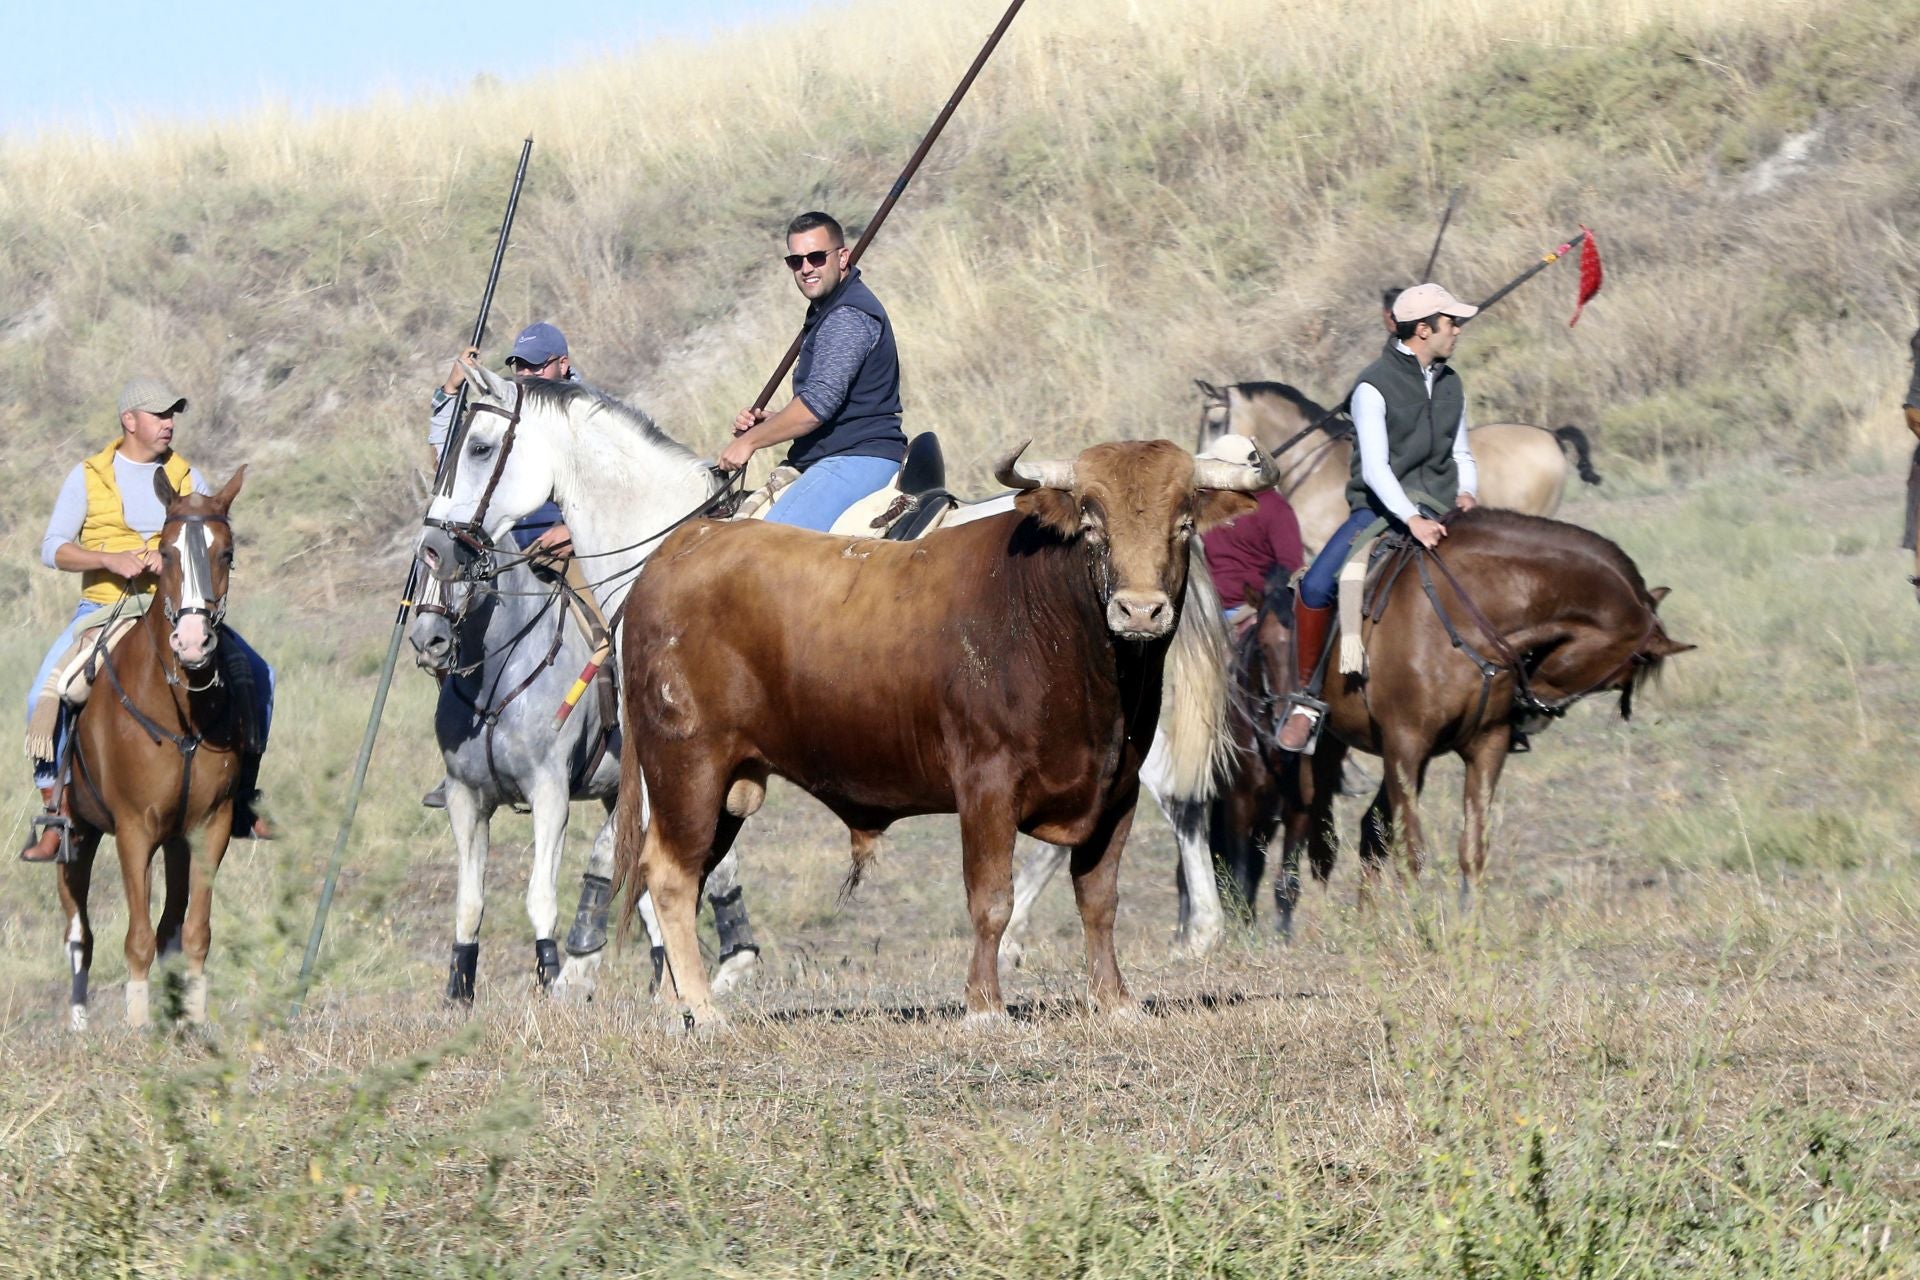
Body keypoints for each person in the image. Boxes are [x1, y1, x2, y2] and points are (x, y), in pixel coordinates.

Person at [20, 376, 275, 860]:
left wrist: (173, 559)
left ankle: (243, 797)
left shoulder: (186, 476)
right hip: (104, 609)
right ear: (129, 420)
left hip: (176, 611)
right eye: (159, 415)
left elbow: (205, 539)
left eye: (172, 415)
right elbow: (53, 548)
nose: (169, 424)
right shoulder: (89, 475)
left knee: (261, 674)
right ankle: (57, 812)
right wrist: (110, 559)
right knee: (44, 694)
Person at [1276, 282, 1482, 753]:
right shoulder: (1373, 386)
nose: (1458, 331)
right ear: (1424, 330)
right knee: (1314, 586)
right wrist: (1411, 519)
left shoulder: (1453, 383)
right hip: (1380, 513)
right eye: (1452, 323)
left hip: (1446, 510)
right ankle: (1307, 699)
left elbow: (1461, 451)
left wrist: (1468, 492)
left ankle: (1514, 698)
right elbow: (1375, 467)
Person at [720, 211, 907, 530]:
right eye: (796, 261)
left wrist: (749, 441)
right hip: (839, 453)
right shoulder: (829, 310)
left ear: (843, 257)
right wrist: (774, 422)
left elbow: (815, 407)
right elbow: (830, 405)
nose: (806, 268)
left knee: (767, 548)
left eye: (817, 257)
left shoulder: (847, 316)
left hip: (857, 457)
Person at [429, 321, 576, 556]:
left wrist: (573, 531)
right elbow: (447, 463)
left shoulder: (587, 414)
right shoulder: (506, 410)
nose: (526, 375)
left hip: (562, 553)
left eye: (536, 366)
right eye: (520, 366)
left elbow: (617, 490)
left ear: (563, 364)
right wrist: (451, 391)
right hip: (497, 551)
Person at [1196, 435, 1304, 637]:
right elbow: (1292, 565)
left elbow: (1291, 568)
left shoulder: (1206, 501)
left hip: (1240, 611)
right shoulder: (1275, 507)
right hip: (1228, 610)